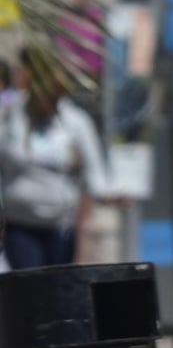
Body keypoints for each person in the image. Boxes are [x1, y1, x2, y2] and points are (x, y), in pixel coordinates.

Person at [0, 46, 113, 268]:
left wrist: (110, 194)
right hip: (20, 224)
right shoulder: (9, 117)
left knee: (56, 288)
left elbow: (96, 174)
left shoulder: (75, 122)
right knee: (31, 287)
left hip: (61, 226)